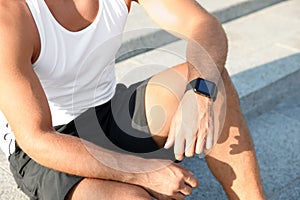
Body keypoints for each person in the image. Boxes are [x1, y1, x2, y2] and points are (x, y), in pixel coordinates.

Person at [0, 0, 265, 199]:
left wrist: (199, 91)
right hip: (50, 145)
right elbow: (37, 138)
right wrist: (144, 173)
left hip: (108, 110)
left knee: (212, 80)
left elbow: (203, 25)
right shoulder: (11, 15)